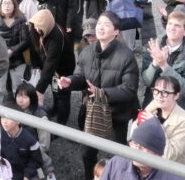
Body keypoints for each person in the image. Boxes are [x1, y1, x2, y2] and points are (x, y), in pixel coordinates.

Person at [59, 12, 139, 179]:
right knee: (87, 154)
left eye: (106, 24)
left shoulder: (126, 56)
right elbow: (81, 77)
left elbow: (129, 89)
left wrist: (102, 93)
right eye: (99, 24)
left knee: (119, 157)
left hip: (118, 114)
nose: (100, 27)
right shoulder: (87, 53)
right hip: (94, 111)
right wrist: (70, 81)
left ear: (116, 32)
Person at [141, 10, 185, 120]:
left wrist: (164, 66)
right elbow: (146, 81)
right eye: (170, 23)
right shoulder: (152, 47)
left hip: (179, 111)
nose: (172, 28)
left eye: (177, 25)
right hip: (153, 105)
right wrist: (155, 63)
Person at [131, 76, 185, 165]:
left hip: (172, 170)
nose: (159, 96)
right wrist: (144, 114)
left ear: (176, 95)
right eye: (156, 91)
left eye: (165, 92)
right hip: (147, 162)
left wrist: (156, 126)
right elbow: (132, 136)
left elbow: (168, 156)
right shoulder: (154, 107)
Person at [28, 9, 75, 125]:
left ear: (47, 25)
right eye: (35, 26)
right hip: (53, 69)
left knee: (63, 94)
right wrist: (36, 66)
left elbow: (50, 64)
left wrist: (39, 90)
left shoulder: (57, 37)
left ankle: (61, 123)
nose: (37, 29)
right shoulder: (40, 31)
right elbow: (34, 49)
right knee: (54, 89)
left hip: (63, 69)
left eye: (40, 27)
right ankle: (55, 108)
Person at [99, 117, 184, 180]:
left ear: (157, 153)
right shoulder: (116, 163)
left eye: (142, 146)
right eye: (135, 144)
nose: (136, 149)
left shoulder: (173, 177)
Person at [0, 0, 29, 102]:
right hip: (0, 60)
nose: (6, 6)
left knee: (17, 88)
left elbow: (26, 41)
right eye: (4, 3)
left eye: (9, 3)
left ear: (14, 5)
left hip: (18, 60)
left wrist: (12, 50)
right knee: (0, 89)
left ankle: (19, 112)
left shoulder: (21, 21)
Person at [15, 83, 55, 180]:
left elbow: (44, 145)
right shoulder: (14, 110)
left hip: (33, 157)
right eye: (19, 96)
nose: (20, 100)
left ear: (32, 98)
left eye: (25, 97)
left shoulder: (41, 117)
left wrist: (25, 152)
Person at [0, 104, 44, 180]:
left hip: (26, 173)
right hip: (7, 172)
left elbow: (36, 161)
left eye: (8, 118)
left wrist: (27, 176)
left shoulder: (30, 140)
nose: (4, 121)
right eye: (2, 117)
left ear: (18, 120)